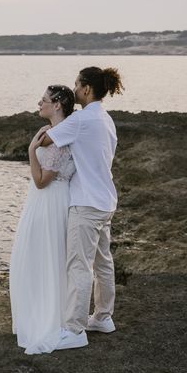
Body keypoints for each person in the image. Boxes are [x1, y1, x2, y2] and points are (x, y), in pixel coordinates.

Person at [38, 66, 125, 350]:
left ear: (86, 89)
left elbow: (46, 140)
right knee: (103, 263)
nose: (73, 91)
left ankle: (74, 330)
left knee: (79, 265)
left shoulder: (83, 119)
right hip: (106, 200)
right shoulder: (106, 118)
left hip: (86, 202)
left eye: (76, 85)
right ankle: (103, 316)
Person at [9, 85, 76, 354]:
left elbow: (41, 181)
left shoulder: (59, 138)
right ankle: (37, 314)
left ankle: (50, 319)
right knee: (36, 257)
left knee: (47, 258)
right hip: (43, 202)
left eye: (44, 100)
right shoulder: (51, 133)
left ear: (57, 104)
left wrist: (29, 152)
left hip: (50, 201)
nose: (39, 102)